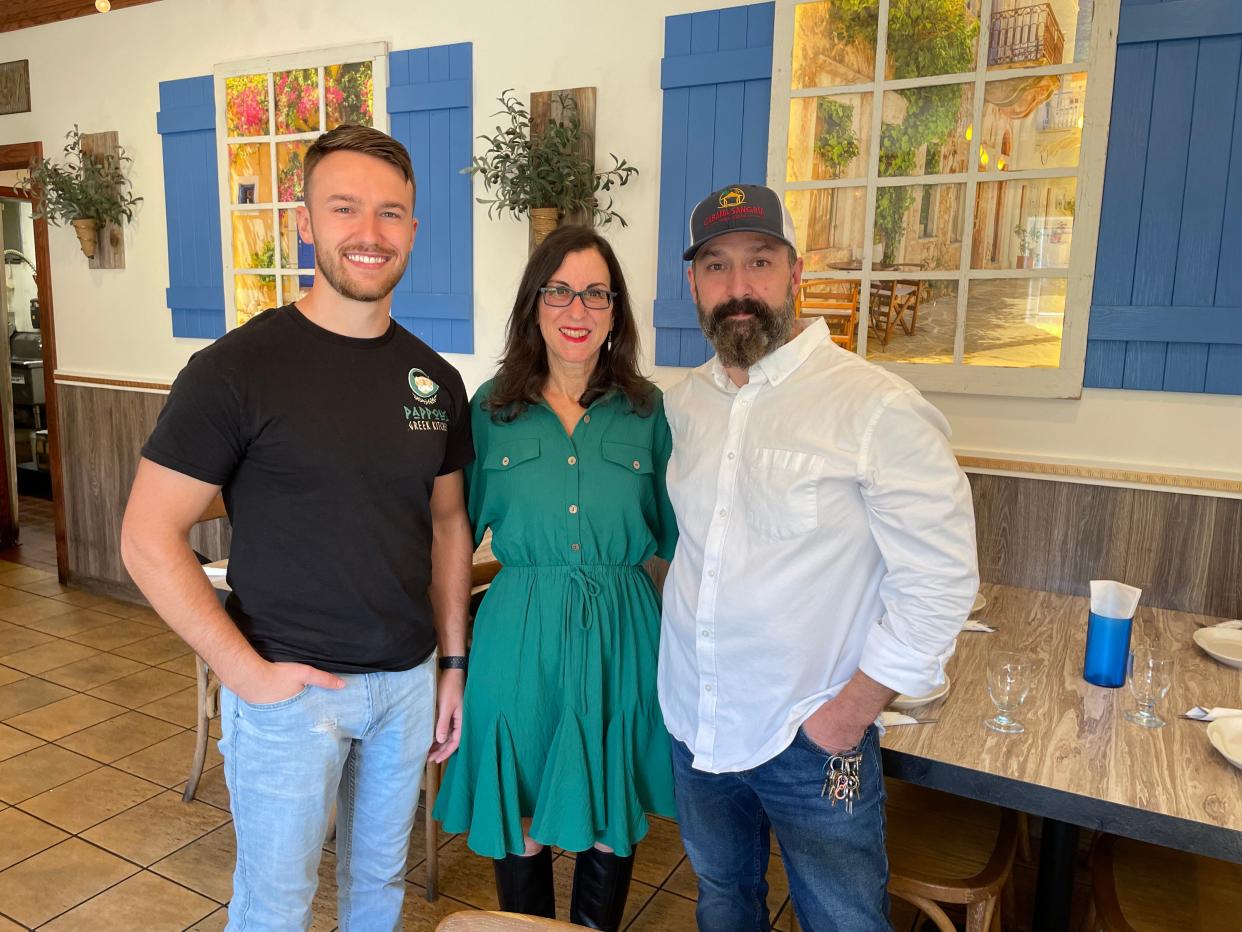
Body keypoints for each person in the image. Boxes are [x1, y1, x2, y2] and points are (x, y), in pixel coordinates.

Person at [121, 124, 474, 930]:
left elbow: (450, 525)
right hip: (289, 695)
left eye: (392, 213)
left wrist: (448, 665)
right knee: (277, 907)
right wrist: (245, 677)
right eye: (344, 208)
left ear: (414, 231)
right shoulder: (237, 370)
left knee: (376, 892)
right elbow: (145, 536)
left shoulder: (435, 380)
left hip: (404, 687)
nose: (370, 232)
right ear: (305, 223)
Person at [660, 183, 979, 931]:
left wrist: (845, 718)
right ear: (693, 283)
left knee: (841, 921)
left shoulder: (875, 407)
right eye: (716, 266)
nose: (739, 289)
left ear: (795, 274)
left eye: (760, 262)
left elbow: (940, 581)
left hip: (813, 739)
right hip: (696, 724)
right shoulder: (682, 406)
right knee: (722, 900)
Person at [433, 225, 678, 930]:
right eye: (560, 291)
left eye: (595, 293)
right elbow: (451, 535)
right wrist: (449, 659)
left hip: (623, 635)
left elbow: (682, 539)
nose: (578, 309)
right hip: (518, 634)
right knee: (523, 811)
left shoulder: (647, 410)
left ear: (614, 309)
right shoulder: (490, 409)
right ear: (534, 305)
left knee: (609, 811)